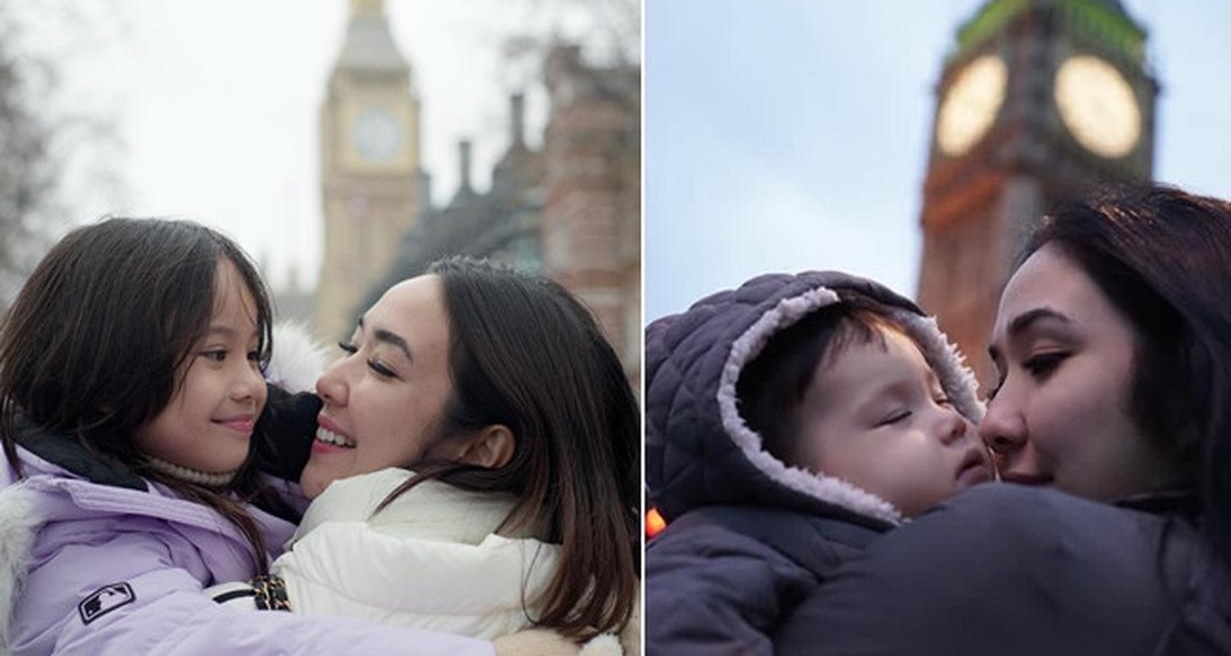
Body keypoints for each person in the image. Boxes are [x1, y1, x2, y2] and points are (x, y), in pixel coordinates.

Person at [0, 219, 495, 655]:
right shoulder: (75, 538)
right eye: (216, 354)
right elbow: (185, 644)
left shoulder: (264, 474)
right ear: (106, 378)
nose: (251, 386)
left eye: (254, 355)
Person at [774, 185, 1231, 655]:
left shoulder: (996, 546)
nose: (990, 423)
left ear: (1191, 374)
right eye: (996, 384)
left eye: (1044, 360)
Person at [208, 257, 640, 650]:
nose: (327, 381)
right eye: (350, 348)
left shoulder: (266, 614)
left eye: (382, 367)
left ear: (483, 448)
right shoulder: (604, 614)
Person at [644, 270, 991, 653]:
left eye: (943, 398)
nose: (951, 422)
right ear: (781, 470)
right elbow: (675, 628)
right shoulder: (732, 545)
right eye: (895, 415)